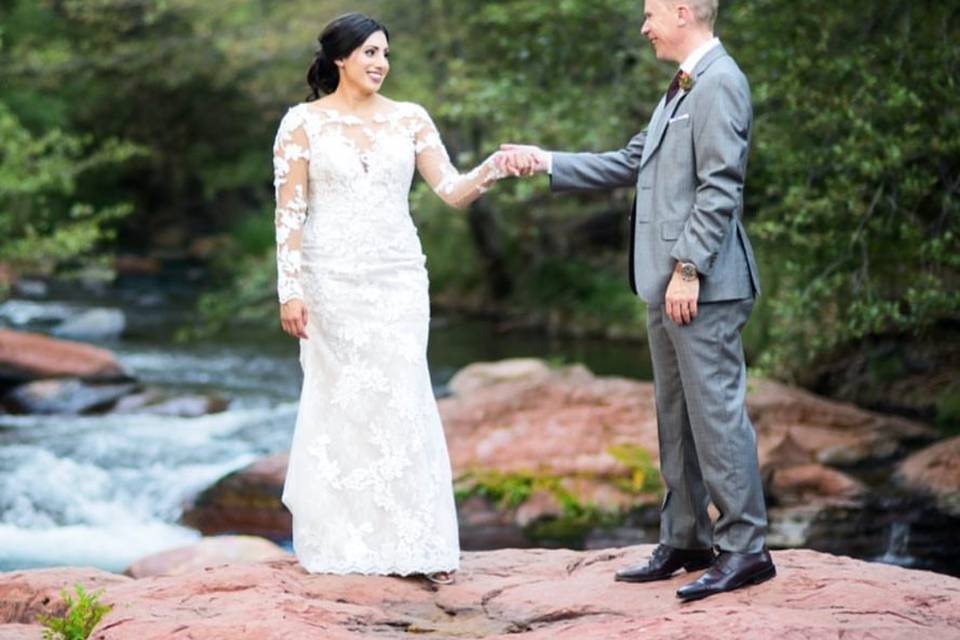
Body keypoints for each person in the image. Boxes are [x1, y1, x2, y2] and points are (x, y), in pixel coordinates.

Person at [499, 0, 775, 601]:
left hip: (702, 284)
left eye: (651, 14)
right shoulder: (680, 87)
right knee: (675, 418)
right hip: (663, 283)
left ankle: (746, 549)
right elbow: (631, 161)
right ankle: (685, 539)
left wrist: (688, 268)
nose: (645, 26)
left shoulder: (721, 81)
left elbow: (721, 184)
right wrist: (543, 161)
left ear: (683, 12)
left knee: (717, 417)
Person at [272, 12, 509, 585]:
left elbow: (450, 191)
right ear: (340, 60)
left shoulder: (410, 119)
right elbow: (290, 213)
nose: (380, 62)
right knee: (342, 403)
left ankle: (412, 539)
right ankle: (343, 540)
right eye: (369, 52)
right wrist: (291, 289)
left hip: (399, 279)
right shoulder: (301, 123)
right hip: (331, 282)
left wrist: (494, 167)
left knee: (402, 396)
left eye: (385, 53)